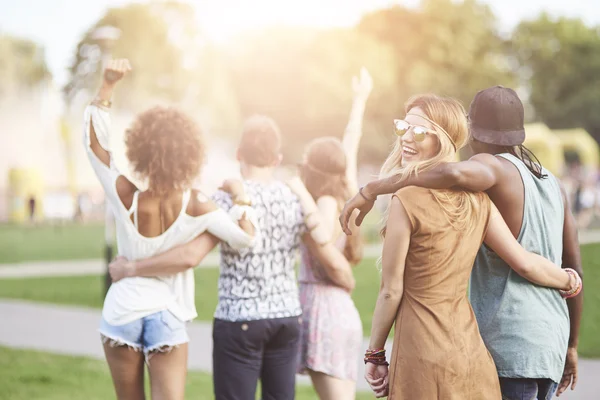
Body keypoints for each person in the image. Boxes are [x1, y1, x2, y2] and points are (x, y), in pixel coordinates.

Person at [340, 86, 584, 399]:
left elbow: (391, 290)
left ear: (469, 133)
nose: (405, 137)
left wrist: (373, 188)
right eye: (401, 127)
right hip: (519, 344)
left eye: (418, 131)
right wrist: (569, 290)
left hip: (485, 344)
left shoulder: (476, 175)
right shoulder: (542, 187)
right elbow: (530, 261)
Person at [110, 114, 355, 400]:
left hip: (240, 321)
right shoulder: (294, 199)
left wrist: (132, 267)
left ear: (239, 154)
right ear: (276, 159)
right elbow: (326, 250)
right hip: (286, 320)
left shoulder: (226, 200)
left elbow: (190, 255)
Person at [85, 59, 256, 400]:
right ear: (190, 154)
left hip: (120, 311)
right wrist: (241, 198)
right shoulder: (198, 203)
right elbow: (246, 238)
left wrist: (106, 88)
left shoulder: (125, 196)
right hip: (166, 314)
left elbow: (96, 149)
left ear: (141, 151)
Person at [293, 68, 371, 400]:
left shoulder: (324, 201)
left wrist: (298, 192)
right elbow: (349, 145)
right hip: (338, 310)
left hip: (323, 311)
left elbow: (323, 239)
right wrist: (359, 101)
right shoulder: (347, 192)